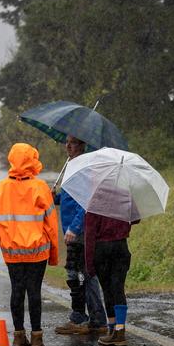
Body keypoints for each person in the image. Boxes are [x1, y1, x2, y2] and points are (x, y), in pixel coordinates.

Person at [0, 143, 59, 346]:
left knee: (17, 291)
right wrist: (54, 254)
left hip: (12, 250)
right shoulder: (40, 187)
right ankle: (37, 338)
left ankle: (18, 338)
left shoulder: (2, 187)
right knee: (34, 292)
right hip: (37, 250)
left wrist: (5, 245)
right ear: (33, 159)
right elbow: (51, 224)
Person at [54, 136, 107, 335]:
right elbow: (71, 198)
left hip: (79, 232)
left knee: (82, 275)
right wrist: (56, 198)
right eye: (66, 142)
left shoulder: (83, 168)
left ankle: (89, 319)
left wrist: (74, 228)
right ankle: (89, 318)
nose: (68, 145)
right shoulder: (71, 165)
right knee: (80, 274)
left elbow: (85, 202)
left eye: (73, 142)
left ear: (82, 145)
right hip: (73, 229)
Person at [85, 212, 139, 346]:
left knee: (107, 290)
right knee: (118, 289)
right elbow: (136, 219)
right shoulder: (123, 197)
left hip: (102, 249)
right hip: (121, 247)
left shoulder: (95, 203)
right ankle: (119, 331)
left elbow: (90, 234)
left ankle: (112, 329)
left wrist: (89, 264)